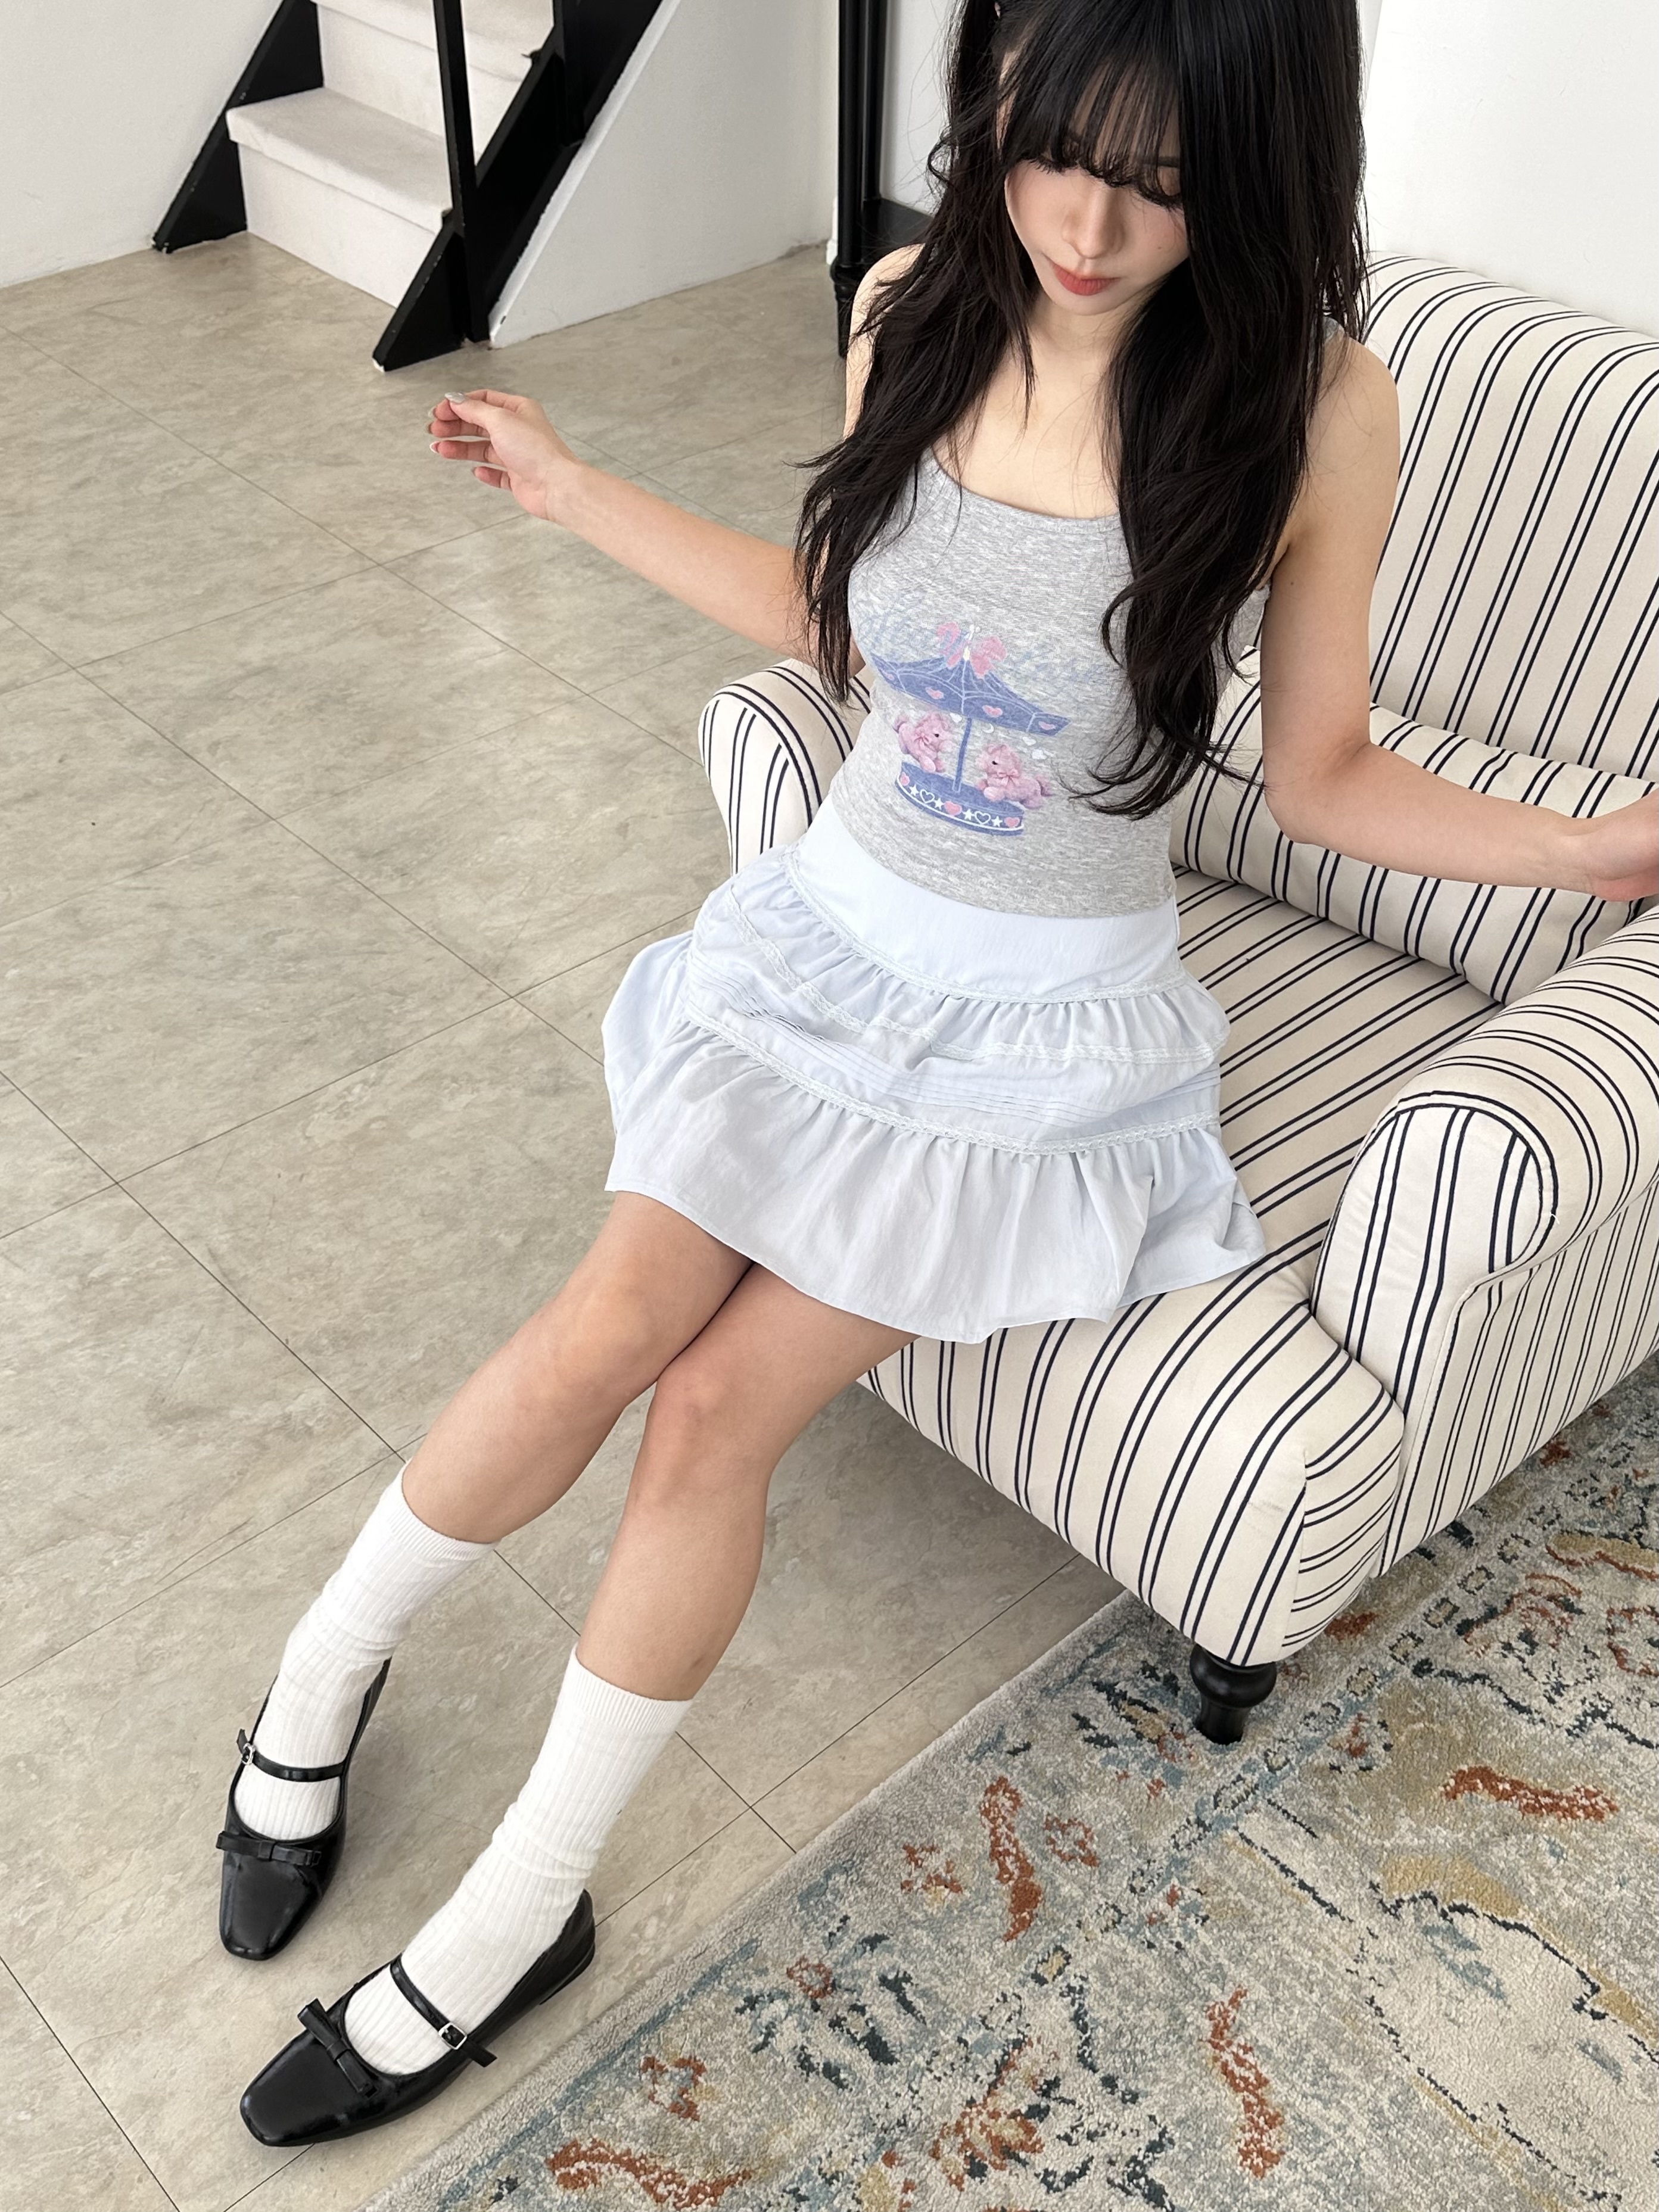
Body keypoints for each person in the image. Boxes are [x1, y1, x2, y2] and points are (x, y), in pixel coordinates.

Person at [226, 0, 1659, 2149]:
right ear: (994, 111)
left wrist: (1588, 851)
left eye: (1160, 182)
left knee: (714, 1408)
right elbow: (845, 631)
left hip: (1040, 1035)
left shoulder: (1311, 403)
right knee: (604, 1319)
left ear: (1253, 171)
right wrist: (570, 489)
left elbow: (1324, 772)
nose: (1086, 223)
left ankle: (517, 1916)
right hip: (826, 939)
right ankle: (317, 1678)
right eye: (1053, 149)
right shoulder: (907, 304)